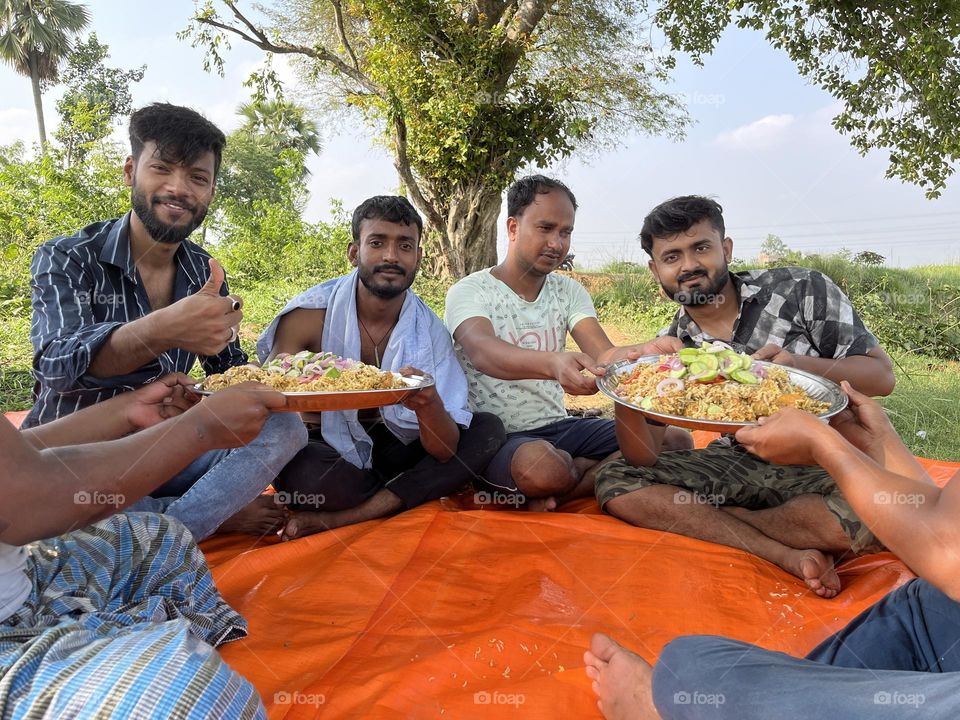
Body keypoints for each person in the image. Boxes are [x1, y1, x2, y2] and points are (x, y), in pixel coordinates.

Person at [584, 383, 959, 719]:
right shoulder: (679, 343)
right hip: (729, 464)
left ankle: (659, 709)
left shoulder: (809, 306)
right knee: (923, 600)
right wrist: (879, 443)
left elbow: (946, 553)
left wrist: (824, 444)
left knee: (692, 670)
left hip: (809, 474)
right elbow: (939, 550)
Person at [26, 102, 307, 539]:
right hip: (75, 460)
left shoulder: (203, 271)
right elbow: (56, 366)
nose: (178, 188)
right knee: (48, 500)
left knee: (285, 427)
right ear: (130, 171)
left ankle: (167, 523)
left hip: (164, 451)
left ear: (211, 191)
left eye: (197, 177)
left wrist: (297, 378)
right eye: (161, 169)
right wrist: (164, 328)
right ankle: (198, 519)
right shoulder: (68, 257)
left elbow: (226, 369)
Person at [595, 196, 896, 596]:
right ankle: (779, 551)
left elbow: (881, 376)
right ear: (656, 270)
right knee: (617, 480)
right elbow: (642, 457)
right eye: (672, 256)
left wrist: (797, 367)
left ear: (727, 249)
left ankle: (725, 520)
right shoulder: (677, 347)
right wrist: (626, 386)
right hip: (738, 463)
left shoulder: (800, 288)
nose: (688, 266)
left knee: (881, 513)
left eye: (701, 247)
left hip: (829, 457)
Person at [1, 374, 287, 718]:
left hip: (22, 577)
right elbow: (29, 501)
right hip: (37, 526)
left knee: (163, 537)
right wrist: (197, 429)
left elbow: (18, 456)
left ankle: (108, 647)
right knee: (188, 699)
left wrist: (127, 411)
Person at [258, 196, 505, 540]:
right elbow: (268, 398)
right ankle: (404, 492)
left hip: (397, 441)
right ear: (354, 252)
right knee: (306, 476)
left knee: (486, 429)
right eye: (377, 243)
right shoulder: (308, 316)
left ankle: (355, 514)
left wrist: (429, 404)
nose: (391, 256)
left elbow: (444, 448)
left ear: (418, 257)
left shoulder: (428, 330)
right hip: (324, 446)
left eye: (405, 245)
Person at [444, 175, 692, 512]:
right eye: (545, 228)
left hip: (560, 425)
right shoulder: (470, 291)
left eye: (566, 232)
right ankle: (578, 476)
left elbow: (603, 352)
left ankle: (561, 493)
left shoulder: (569, 292)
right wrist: (554, 364)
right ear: (513, 228)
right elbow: (484, 353)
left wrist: (643, 351)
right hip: (498, 435)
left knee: (676, 440)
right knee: (541, 468)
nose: (557, 243)